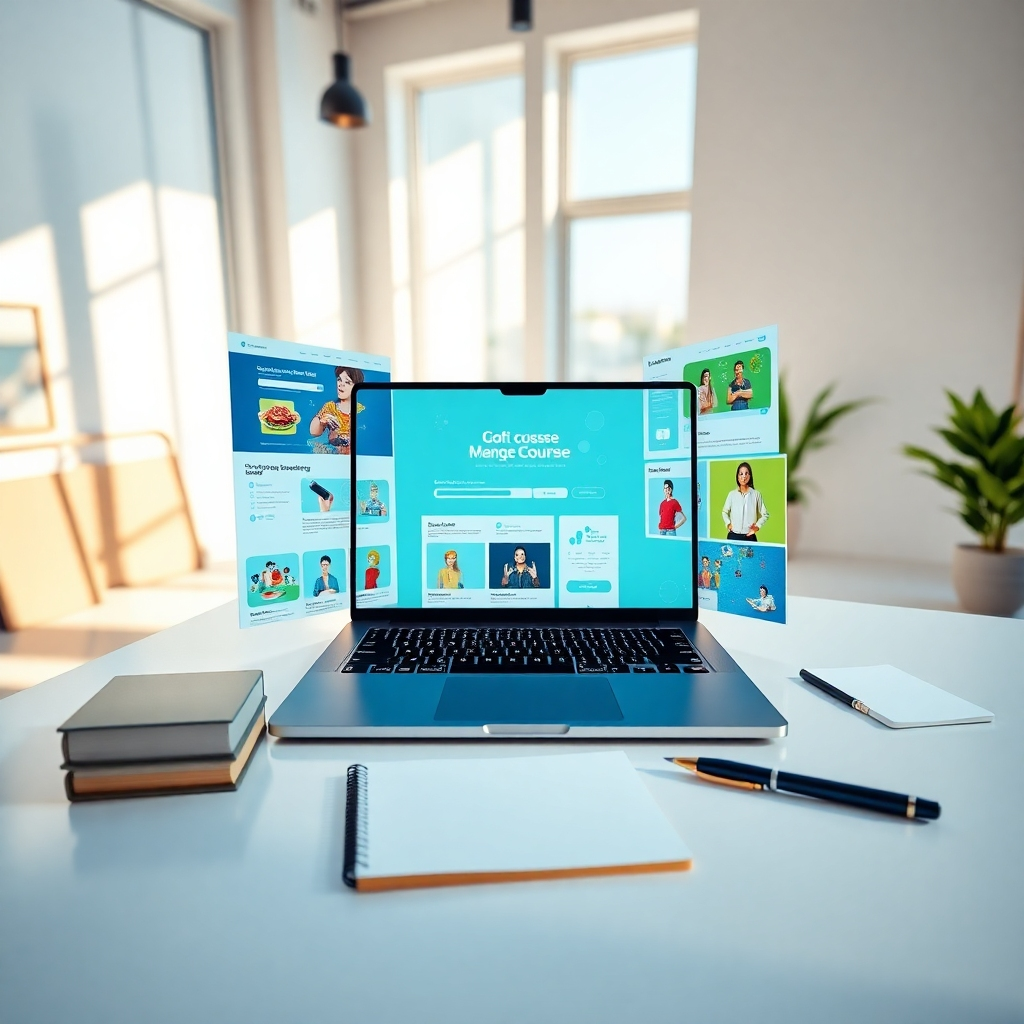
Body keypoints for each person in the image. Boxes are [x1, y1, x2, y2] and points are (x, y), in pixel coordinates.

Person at [310, 365, 365, 455]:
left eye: (347, 382)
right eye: (339, 379)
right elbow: (313, 432)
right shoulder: (330, 407)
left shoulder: (361, 410)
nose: (341, 384)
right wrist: (321, 422)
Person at [722, 461, 769, 541]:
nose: (744, 477)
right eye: (741, 474)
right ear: (737, 477)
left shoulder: (756, 494)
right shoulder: (732, 494)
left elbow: (765, 514)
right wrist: (728, 524)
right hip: (733, 536)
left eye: (746, 473)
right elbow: (724, 512)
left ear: (750, 476)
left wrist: (757, 526)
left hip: (749, 537)